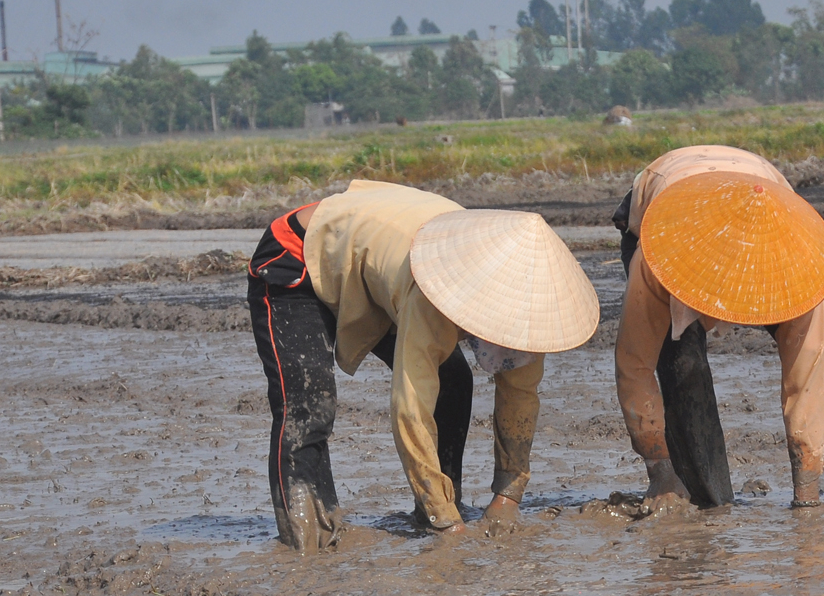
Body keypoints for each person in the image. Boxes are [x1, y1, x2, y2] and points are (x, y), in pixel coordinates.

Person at [249, 178, 600, 551]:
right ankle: (306, 539)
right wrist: (446, 526)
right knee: (308, 409)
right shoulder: (435, 292)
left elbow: (520, 394)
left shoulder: (528, 304)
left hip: (380, 262)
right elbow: (410, 408)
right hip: (299, 253)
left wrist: (507, 496)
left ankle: (439, 504)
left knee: (453, 382)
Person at [612, 145, 824, 511]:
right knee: (682, 368)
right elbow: (633, 366)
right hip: (669, 203)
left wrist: (807, 495)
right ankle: (701, 498)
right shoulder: (659, 259)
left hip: (771, 208)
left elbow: (804, 383)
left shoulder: (796, 265)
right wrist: (659, 469)